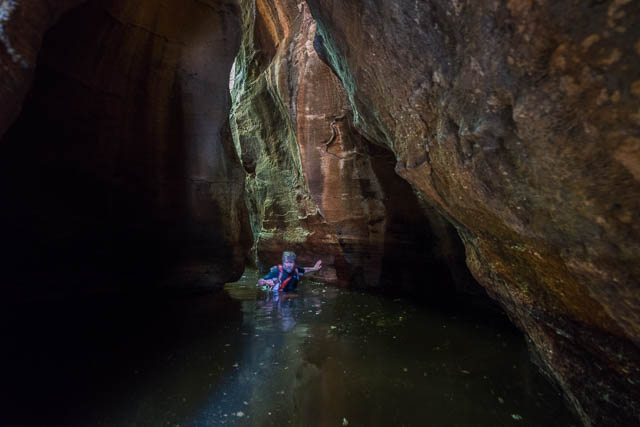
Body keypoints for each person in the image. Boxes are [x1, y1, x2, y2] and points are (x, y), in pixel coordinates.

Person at [257, 251, 322, 292]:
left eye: (291, 262)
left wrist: (314, 268)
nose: (289, 265)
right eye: (287, 262)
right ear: (283, 262)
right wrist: (265, 282)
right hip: (278, 296)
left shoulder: (296, 269)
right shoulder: (276, 271)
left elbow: (304, 270)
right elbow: (260, 281)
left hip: (292, 295)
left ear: (294, 263)